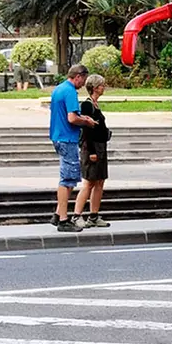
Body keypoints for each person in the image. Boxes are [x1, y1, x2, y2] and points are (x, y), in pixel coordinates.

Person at [49, 63, 92, 231]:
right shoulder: (70, 92)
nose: (83, 84)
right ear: (78, 77)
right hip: (67, 137)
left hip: (58, 136)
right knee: (67, 180)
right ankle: (64, 220)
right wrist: (86, 121)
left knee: (70, 178)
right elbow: (72, 118)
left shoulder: (58, 89)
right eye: (84, 80)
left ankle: (58, 213)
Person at [72, 74, 112, 228]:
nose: (104, 88)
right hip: (92, 147)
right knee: (89, 182)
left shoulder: (95, 104)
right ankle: (77, 215)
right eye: (102, 85)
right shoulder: (87, 105)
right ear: (95, 88)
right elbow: (87, 130)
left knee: (100, 181)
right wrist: (91, 151)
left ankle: (94, 215)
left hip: (100, 145)